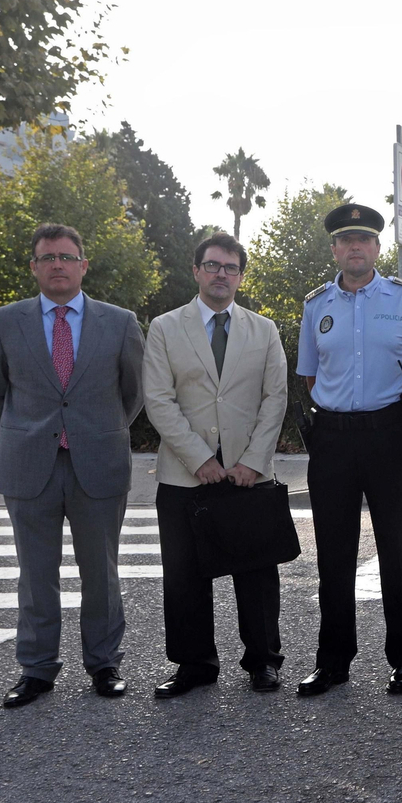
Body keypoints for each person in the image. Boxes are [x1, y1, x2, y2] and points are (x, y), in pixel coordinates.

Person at [0, 223, 145, 707]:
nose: (57, 265)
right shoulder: (5, 322)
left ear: (83, 265)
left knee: (102, 571)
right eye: (47, 257)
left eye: (67, 257)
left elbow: (131, 394)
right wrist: (32, 429)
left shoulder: (120, 322)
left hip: (98, 462)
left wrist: (96, 429)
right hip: (29, 465)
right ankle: (36, 668)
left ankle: (104, 663)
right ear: (34, 267)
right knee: (35, 574)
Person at [293, 203, 402, 697]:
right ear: (334, 248)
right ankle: (333, 661)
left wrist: (381, 413)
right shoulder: (316, 305)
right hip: (331, 437)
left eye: (365, 239)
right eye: (346, 240)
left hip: (389, 433)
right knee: (333, 551)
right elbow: (310, 374)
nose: (356, 247)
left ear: (377, 247)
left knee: (398, 547)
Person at [143, 232, 288, 697]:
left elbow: (275, 398)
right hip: (186, 472)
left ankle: (263, 661)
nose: (221, 274)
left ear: (241, 275)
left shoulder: (263, 330)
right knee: (183, 574)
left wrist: (253, 460)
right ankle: (194, 665)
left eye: (230, 267)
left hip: (248, 473)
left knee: (257, 573)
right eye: (212, 265)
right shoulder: (165, 327)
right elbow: (159, 400)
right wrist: (199, 457)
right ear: (197, 271)